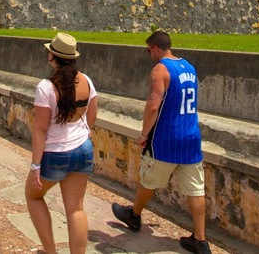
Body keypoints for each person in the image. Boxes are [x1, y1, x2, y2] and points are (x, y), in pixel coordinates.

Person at [111, 30, 210, 254]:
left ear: (155, 48)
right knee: (196, 190)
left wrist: (144, 134)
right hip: (191, 138)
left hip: (166, 139)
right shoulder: (189, 67)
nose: (149, 54)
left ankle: (134, 215)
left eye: (148, 50)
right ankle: (200, 240)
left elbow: (153, 106)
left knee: (149, 179)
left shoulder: (160, 70)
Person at [25, 33, 98, 254]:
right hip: (83, 149)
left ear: (52, 57)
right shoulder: (86, 80)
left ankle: (50, 251)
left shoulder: (46, 87)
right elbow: (92, 116)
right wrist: (84, 136)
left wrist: (35, 165)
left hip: (55, 153)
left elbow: (40, 129)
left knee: (33, 196)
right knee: (76, 209)